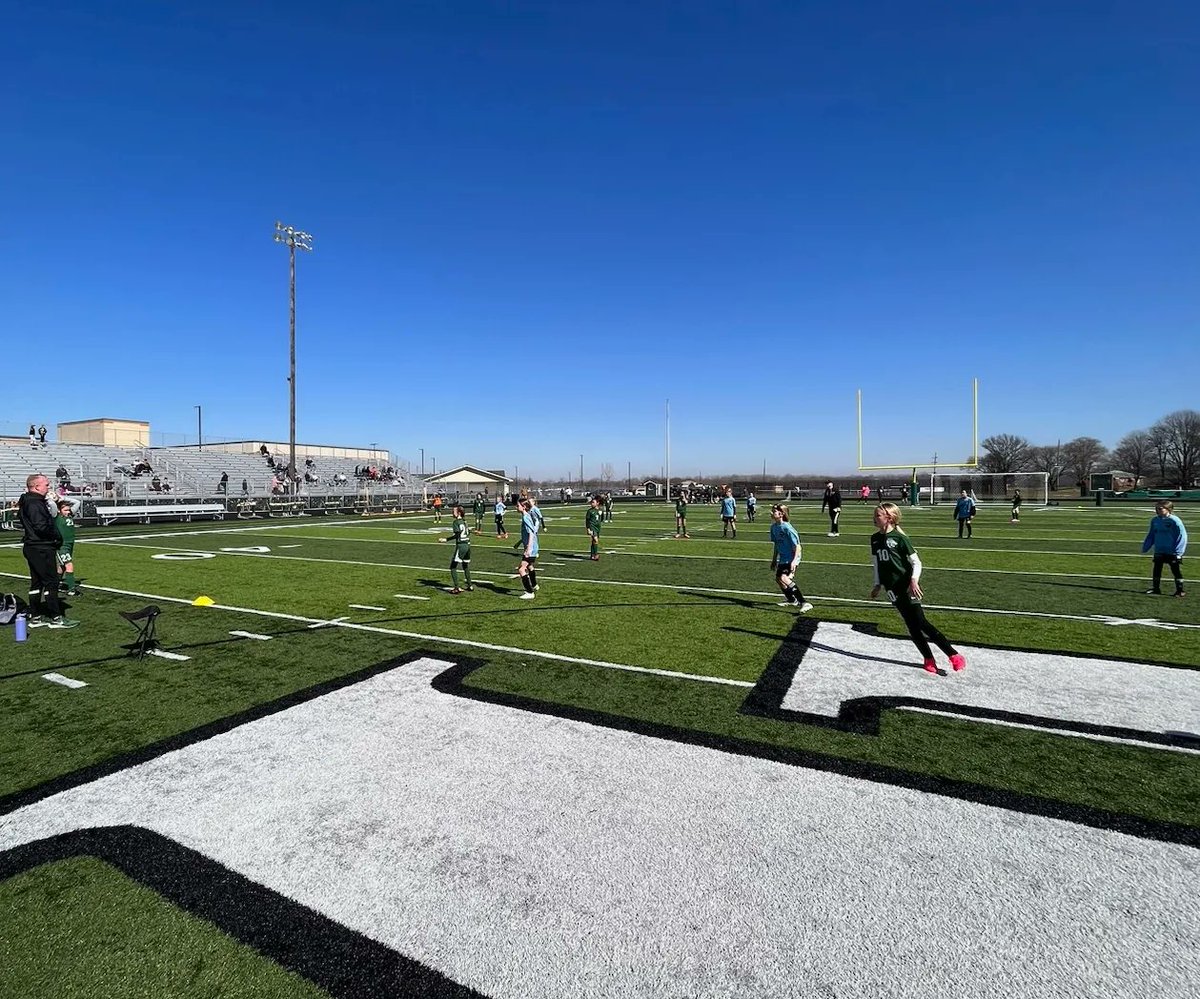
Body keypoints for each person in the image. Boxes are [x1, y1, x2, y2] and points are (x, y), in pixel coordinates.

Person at [870, 501, 965, 674]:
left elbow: (916, 562)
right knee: (911, 626)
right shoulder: (874, 539)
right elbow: (876, 563)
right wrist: (877, 584)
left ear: (889, 518)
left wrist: (913, 581)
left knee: (921, 622)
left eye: (878, 515)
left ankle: (953, 655)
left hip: (906, 586)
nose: (874, 518)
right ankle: (928, 659)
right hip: (891, 589)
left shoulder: (900, 538)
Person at [17, 474, 78, 628]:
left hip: (34, 546)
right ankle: (56, 617)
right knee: (51, 581)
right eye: (46, 484)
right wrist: (56, 537)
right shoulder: (34, 503)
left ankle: (35, 616)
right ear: (36, 486)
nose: (48, 487)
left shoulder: (30, 501)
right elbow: (41, 526)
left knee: (37, 582)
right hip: (41, 547)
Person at [770, 504, 813, 612]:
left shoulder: (787, 528)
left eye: (774, 511)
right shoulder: (773, 527)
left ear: (781, 514)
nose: (772, 513)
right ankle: (792, 600)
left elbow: (798, 546)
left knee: (784, 578)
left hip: (792, 557)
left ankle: (804, 602)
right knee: (779, 579)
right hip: (783, 558)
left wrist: (794, 562)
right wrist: (774, 560)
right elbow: (777, 544)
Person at [1142, 500, 1187, 597]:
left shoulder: (1175, 520)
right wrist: (1146, 546)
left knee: (1176, 570)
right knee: (1157, 569)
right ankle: (1156, 588)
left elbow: (1182, 536)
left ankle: (1180, 590)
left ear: (1168, 509)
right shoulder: (1155, 520)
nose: (1157, 510)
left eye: (1160, 508)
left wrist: (1178, 552)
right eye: (1156, 508)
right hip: (1159, 549)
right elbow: (1152, 534)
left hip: (1172, 551)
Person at [438, 505, 475, 594]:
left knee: (453, 566)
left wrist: (446, 539)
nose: (452, 512)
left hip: (461, 546)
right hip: (468, 545)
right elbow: (467, 532)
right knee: (465, 565)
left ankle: (456, 588)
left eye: (453, 511)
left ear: (458, 513)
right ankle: (470, 585)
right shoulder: (465, 521)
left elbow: (457, 534)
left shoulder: (456, 522)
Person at [55, 499, 80, 597]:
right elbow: (52, 505)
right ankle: (71, 589)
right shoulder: (56, 517)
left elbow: (77, 502)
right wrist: (54, 499)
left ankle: (54, 585)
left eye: (68, 510)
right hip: (62, 545)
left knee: (62, 567)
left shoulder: (69, 515)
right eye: (65, 510)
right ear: (59, 510)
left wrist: (63, 497)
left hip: (70, 544)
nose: (68, 512)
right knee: (69, 565)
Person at [516, 497, 540, 599]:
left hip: (531, 548)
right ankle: (534, 585)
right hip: (533, 547)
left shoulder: (526, 517)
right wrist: (519, 543)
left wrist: (528, 549)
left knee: (521, 569)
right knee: (529, 566)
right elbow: (529, 532)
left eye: (518, 505)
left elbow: (531, 533)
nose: (516, 507)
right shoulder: (527, 516)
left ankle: (530, 592)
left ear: (524, 507)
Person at [585, 495, 603, 561]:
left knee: (594, 541)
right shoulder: (590, 511)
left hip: (598, 527)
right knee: (595, 540)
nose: (591, 504)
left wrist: (598, 523)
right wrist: (588, 529)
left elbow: (601, 519)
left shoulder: (600, 510)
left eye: (593, 502)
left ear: (597, 503)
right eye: (591, 502)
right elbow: (587, 521)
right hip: (592, 527)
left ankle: (592, 555)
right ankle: (596, 555)